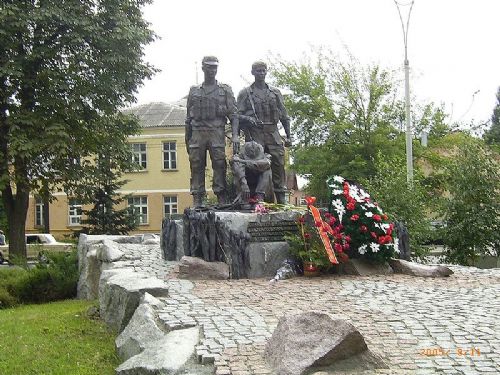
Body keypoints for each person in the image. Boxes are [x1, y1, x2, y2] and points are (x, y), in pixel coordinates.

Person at [185, 56, 239, 207]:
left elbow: (234, 115)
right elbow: (188, 118)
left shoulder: (225, 90)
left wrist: (235, 136)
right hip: (197, 132)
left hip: (216, 131)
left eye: (214, 67)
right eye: (209, 67)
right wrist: (187, 138)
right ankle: (197, 198)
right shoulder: (194, 91)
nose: (212, 70)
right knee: (196, 164)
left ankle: (221, 196)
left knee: (219, 164)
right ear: (203, 68)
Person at [237, 61, 291, 204]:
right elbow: (236, 116)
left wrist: (289, 136)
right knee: (255, 166)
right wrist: (248, 119)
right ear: (252, 73)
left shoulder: (275, 93)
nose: (261, 73)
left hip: (273, 132)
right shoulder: (246, 93)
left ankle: (281, 200)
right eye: (258, 71)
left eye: (263, 71)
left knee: (279, 164)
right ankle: (255, 198)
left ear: (266, 72)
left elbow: (284, 115)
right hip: (255, 135)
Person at [231, 141, 272, 208]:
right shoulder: (238, 157)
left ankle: (259, 197)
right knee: (237, 166)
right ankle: (245, 199)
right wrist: (244, 184)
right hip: (245, 187)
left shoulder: (266, 156)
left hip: (259, 187)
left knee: (267, 170)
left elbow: (266, 163)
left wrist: (243, 161)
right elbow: (237, 166)